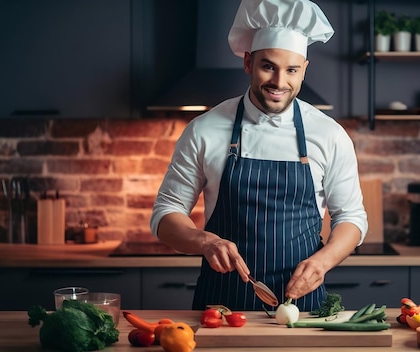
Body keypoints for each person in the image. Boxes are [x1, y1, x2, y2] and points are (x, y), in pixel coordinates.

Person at [150, 0, 368, 311]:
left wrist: (323, 262)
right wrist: (204, 241)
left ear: (304, 69)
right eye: (269, 66)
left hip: (303, 309)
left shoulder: (328, 135)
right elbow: (165, 215)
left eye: (292, 70)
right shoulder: (204, 130)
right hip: (222, 309)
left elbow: (351, 218)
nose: (280, 83)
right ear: (248, 62)